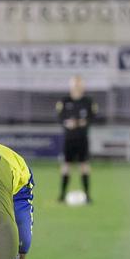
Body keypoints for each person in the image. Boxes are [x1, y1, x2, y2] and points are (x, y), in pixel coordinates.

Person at [56, 75, 98, 203]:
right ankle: (62, 195)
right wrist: (67, 123)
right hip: (69, 139)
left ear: (83, 86)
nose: (77, 86)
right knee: (66, 165)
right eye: (75, 84)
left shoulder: (88, 102)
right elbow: (60, 118)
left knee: (84, 165)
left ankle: (87, 196)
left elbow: (92, 118)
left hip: (82, 139)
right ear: (71, 86)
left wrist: (82, 123)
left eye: (79, 84)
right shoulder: (64, 101)